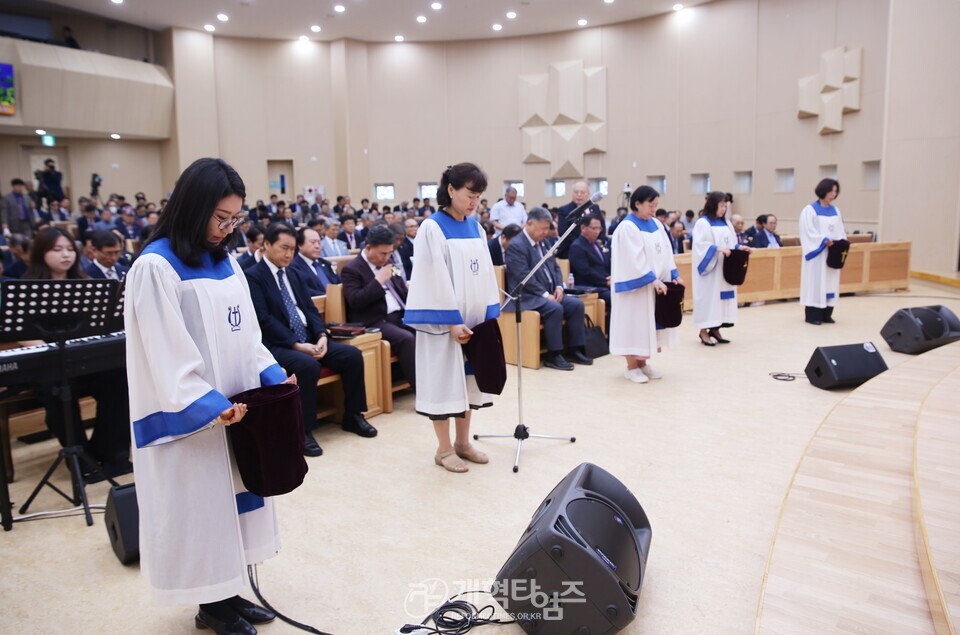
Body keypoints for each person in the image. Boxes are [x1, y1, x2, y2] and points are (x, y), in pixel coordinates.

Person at [125, 158, 288, 633]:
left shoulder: (227, 261)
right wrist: (210, 405)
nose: (227, 229)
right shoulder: (155, 267)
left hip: (236, 408)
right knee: (203, 510)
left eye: (235, 219)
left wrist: (271, 371)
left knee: (235, 500)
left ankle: (230, 592)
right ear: (193, 206)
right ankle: (211, 606)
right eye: (221, 218)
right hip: (196, 420)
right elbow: (164, 354)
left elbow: (247, 334)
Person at [246, 223, 377, 455]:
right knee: (305, 366)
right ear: (266, 245)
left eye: (292, 249)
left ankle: (353, 415)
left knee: (352, 356)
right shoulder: (254, 277)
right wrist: (297, 345)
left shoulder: (293, 273)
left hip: (308, 338)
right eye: (283, 248)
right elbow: (264, 320)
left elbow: (310, 310)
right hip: (277, 345)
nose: (288, 254)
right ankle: (303, 430)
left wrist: (321, 336)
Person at [403, 163, 501, 473]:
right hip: (445, 327)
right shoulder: (432, 227)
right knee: (445, 386)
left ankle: (463, 443)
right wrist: (452, 321)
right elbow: (434, 278)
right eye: (470, 195)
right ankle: (444, 450)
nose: (475, 202)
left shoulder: (476, 227)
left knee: (469, 385)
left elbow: (485, 273)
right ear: (451, 190)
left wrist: (485, 315)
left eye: (479, 197)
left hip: (472, 324)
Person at [22, 227, 132, 477]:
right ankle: (82, 459)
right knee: (58, 391)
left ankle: (112, 453)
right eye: (57, 250)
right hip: (49, 364)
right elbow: (22, 334)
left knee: (118, 378)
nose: (65, 255)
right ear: (42, 253)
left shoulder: (85, 283)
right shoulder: (28, 287)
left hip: (84, 361)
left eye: (70, 249)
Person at [609, 186, 683, 383]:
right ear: (637, 204)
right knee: (634, 325)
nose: (653, 210)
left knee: (647, 327)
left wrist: (673, 273)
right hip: (635, 290)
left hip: (652, 287)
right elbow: (633, 260)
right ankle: (631, 367)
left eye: (656, 205)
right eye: (651, 205)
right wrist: (651, 279)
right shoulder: (627, 227)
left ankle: (643, 364)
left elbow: (667, 251)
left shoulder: (656, 225)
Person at [505, 207, 592, 371]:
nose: (546, 232)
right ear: (529, 223)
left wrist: (559, 286)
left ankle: (574, 349)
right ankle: (554, 354)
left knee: (576, 305)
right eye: (542, 228)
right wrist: (545, 295)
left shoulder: (543, 242)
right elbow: (524, 277)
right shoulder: (517, 245)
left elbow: (555, 267)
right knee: (554, 308)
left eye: (547, 228)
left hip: (550, 292)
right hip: (528, 296)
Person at [341, 224, 416, 390]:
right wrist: (378, 281)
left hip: (399, 314)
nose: (387, 257)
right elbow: (355, 300)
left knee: (427, 329)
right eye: (383, 253)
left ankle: (435, 381)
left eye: (390, 252)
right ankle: (421, 388)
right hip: (374, 320)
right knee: (406, 338)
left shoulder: (388, 262)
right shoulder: (352, 269)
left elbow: (401, 290)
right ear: (368, 247)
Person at [692, 191, 749, 346]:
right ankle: (703, 332)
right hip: (711, 271)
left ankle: (716, 329)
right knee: (709, 300)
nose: (724, 209)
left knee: (722, 300)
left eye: (726, 206)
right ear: (713, 205)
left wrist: (739, 247)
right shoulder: (703, 223)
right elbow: (700, 246)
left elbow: (731, 243)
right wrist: (717, 249)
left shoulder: (727, 223)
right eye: (721, 205)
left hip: (724, 270)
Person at [800, 178, 847, 325]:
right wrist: (823, 240)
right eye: (831, 191)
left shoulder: (836, 210)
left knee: (830, 282)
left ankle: (827, 313)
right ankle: (813, 315)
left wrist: (840, 241)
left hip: (832, 252)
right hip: (818, 253)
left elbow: (840, 230)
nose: (833, 194)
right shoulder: (810, 210)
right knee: (816, 282)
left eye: (835, 191)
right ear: (823, 190)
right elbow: (807, 231)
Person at [567, 213, 611, 310]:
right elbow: (586, 272)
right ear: (583, 228)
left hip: (603, 284)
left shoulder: (597, 244)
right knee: (614, 298)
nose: (597, 232)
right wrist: (605, 281)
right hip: (589, 286)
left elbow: (605, 264)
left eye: (599, 228)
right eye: (594, 228)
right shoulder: (577, 246)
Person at [556, 181, 602, 259]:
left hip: (594, 248)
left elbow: (601, 226)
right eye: (576, 192)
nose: (579, 195)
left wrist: (600, 239)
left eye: (582, 192)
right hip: (572, 249)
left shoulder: (595, 208)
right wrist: (582, 244)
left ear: (588, 194)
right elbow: (563, 231)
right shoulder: (564, 210)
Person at [289, 226, 340, 295]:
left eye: (319, 242)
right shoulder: (293, 267)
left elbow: (337, 281)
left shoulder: (325, 263)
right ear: (300, 245)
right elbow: (304, 291)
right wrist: (329, 296)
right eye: (313, 242)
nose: (317, 246)